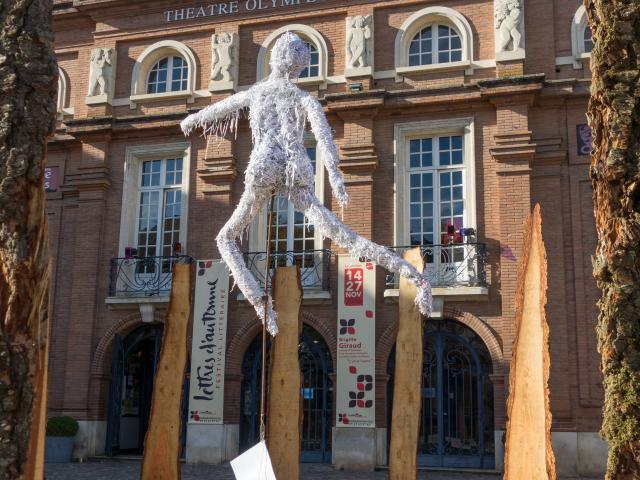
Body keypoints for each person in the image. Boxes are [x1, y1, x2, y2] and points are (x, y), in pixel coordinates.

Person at [181, 32, 431, 335]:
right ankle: (416, 278)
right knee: (345, 236)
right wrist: (335, 177)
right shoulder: (303, 98)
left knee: (225, 239)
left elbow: (217, 111)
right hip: (297, 169)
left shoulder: (257, 93)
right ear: (298, 65)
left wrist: (191, 120)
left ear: (275, 58)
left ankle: (262, 306)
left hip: (263, 166)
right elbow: (324, 138)